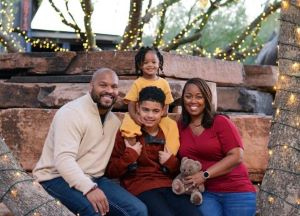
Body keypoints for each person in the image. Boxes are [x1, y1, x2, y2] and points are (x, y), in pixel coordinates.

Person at [33, 68, 147, 216]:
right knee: (93, 211)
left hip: (95, 178)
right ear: (91, 86)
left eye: (114, 86)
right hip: (55, 178)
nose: (109, 90)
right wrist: (89, 188)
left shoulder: (114, 122)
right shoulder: (71, 113)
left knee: (138, 210)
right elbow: (63, 160)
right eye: (103, 85)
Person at [106, 86, 200, 216]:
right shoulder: (127, 133)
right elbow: (111, 171)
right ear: (138, 107)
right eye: (145, 110)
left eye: (155, 111)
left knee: (194, 214)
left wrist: (171, 161)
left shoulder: (167, 132)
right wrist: (130, 155)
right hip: (139, 186)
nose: (150, 115)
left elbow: (180, 169)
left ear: (162, 111)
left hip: (168, 185)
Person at [178, 78, 256, 216]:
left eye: (199, 96)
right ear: (183, 99)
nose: (193, 101)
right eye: (188, 96)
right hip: (207, 193)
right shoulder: (180, 126)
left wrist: (205, 175)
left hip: (236, 191)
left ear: (207, 99)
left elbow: (237, 156)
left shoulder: (220, 122)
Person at [120, 46, 179, 156]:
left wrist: (159, 116)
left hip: (159, 116)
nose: (150, 65)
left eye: (153, 62)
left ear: (159, 63)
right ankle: (132, 150)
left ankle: (169, 155)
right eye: (146, 62)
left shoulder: (163, 83)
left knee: (171, 125)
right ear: (140, 65)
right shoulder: (138, 83)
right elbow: (131, 104)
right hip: (140, 114)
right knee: (128, 122)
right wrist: (135, 117)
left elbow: (166, 106)